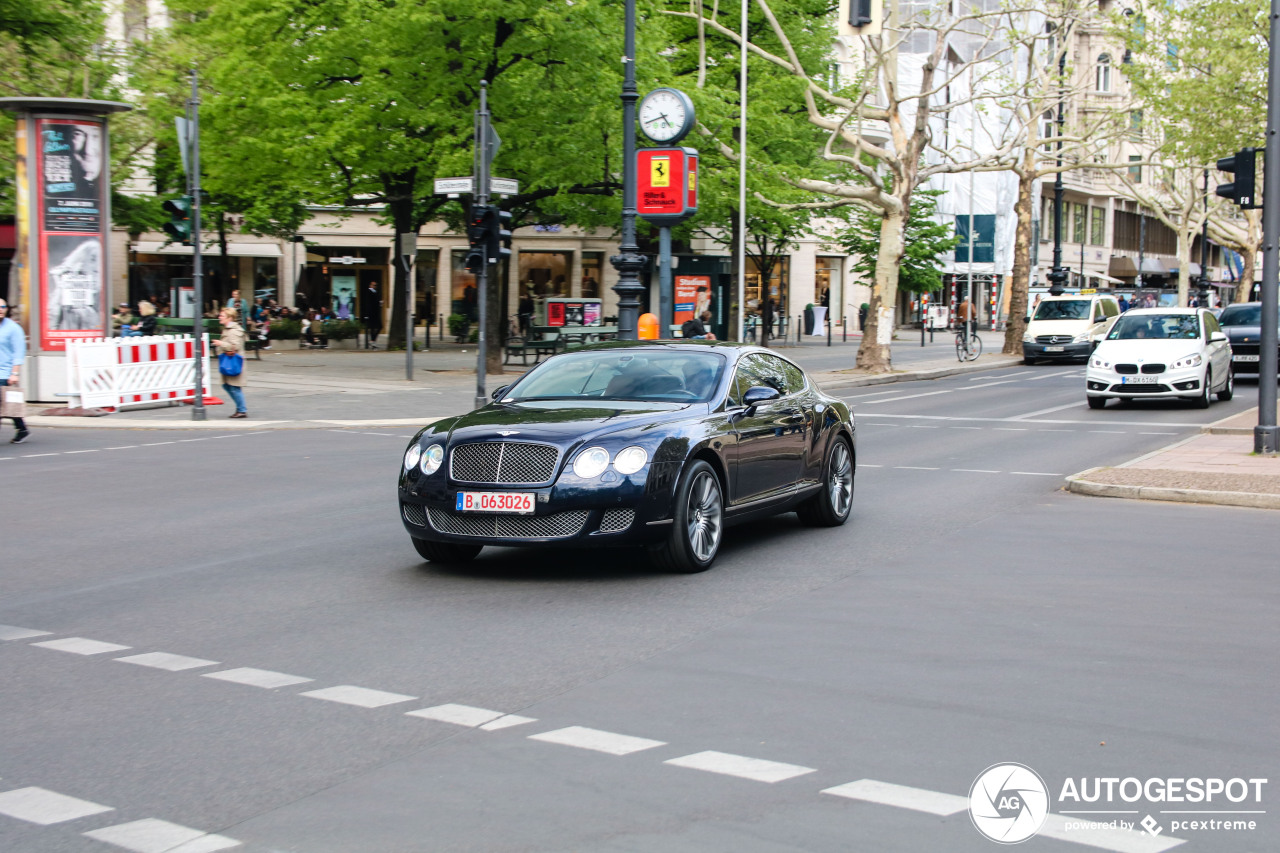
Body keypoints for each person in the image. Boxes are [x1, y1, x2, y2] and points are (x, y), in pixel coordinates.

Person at [0, 297, 29, 444]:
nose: (0, 309)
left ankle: (22, 429)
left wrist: (15, 373)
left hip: (4, 373)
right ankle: (22, 429)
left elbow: (18, 352)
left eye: (3, 307)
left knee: (3, 403)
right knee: (8, 404)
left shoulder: (13, 328)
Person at [213, 307, 248, 418]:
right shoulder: (228, 328)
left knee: (234, 386)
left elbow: (235, 347)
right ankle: (240, 408)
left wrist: (220, 343)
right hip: (229, 361)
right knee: (227, 385)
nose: (219, 317)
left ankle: (242, 410)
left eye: (222, 316)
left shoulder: (233, 330)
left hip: (234, 361)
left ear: (230, 318)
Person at [362, 284, 383, 348]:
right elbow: (369, 303)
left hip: (374, 313)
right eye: (374, 285)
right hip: (372, 313)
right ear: (370, 285)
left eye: (376, 285)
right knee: (374, 327)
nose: (375, 286)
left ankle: (373, 341)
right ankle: (373, 341)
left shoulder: (375, 292)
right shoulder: (369, 292)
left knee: (375, 327)